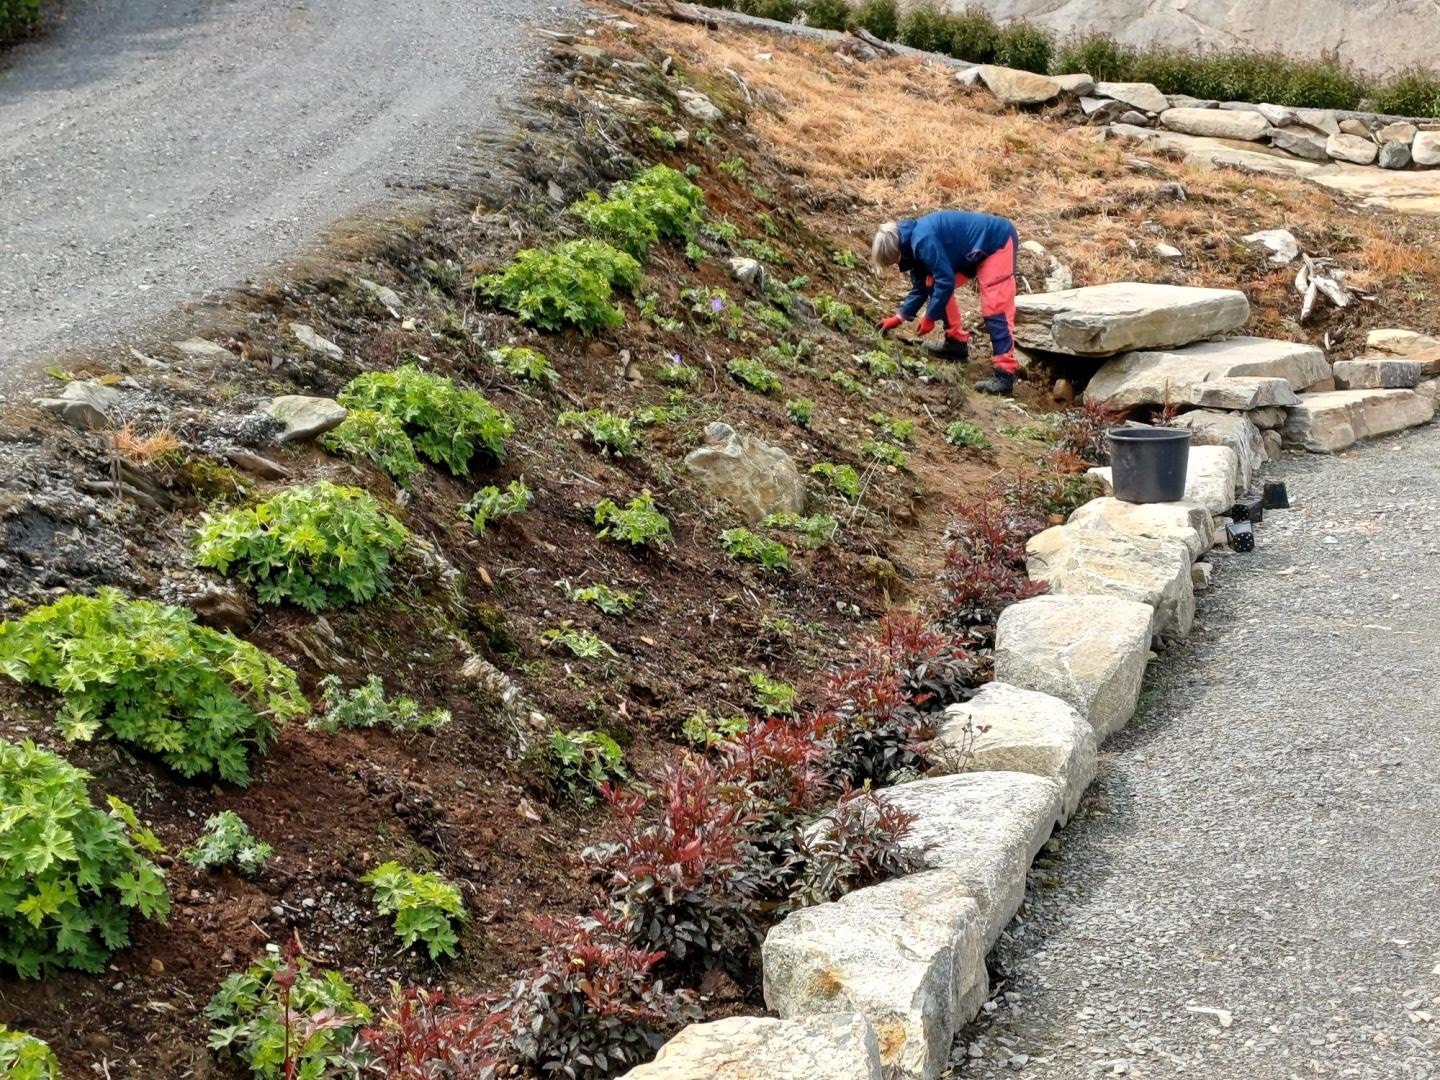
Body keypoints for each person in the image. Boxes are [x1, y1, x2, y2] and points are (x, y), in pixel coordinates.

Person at [871, 211, 1021, 396]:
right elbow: (922, 288)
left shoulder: (922, 240)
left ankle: (1004, 375)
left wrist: (930, 317)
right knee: (931, 283)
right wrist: (898, 317)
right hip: (969, 253)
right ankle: (956, 345)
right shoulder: (912, 245)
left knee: (995, 307)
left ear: (897, 252)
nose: (896, 265)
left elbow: (946, 280)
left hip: (996, 242)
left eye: (894, 261)